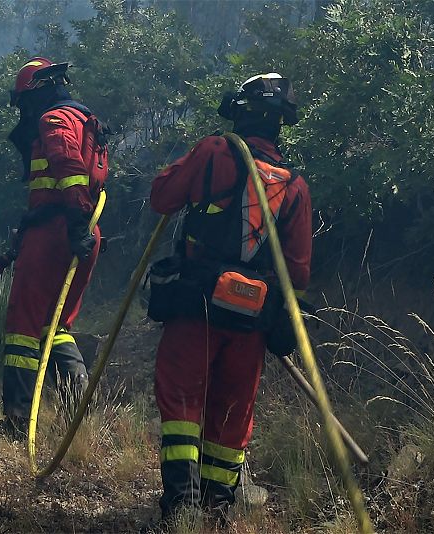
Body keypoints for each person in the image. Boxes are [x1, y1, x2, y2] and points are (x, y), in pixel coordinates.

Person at [147, 73, 312, 524]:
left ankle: (181, 506)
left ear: (240, 112)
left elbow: (162, 197)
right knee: (233, 414)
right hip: (251, 321)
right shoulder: (295, 187)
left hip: (196, 306)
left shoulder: (216, 152)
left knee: (181, 401)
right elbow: (296, 272)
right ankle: (217, 511)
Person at [0, 57, 110, 439]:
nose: (24, 111)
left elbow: (68, 169)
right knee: (54, 327)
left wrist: (72, 224)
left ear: (36, 94)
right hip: (79, 230)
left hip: (60, 230)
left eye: (24, 101)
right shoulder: (86, 121)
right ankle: (76, 415)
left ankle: (17, 421)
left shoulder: (53, 120)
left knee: (22, 328)